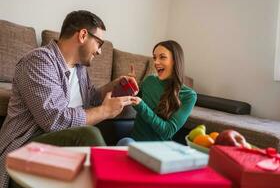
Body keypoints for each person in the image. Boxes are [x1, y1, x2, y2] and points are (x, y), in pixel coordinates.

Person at [0, 10, 138, 188]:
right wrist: (105, 111)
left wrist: (115, 86)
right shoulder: (39, 61)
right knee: (88, 134)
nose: (100, 51)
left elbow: (92, 99)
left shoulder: (80, 70)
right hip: (26, 149)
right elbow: (55, 121)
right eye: (99, 42)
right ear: (82, 35)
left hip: (58, 151)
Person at [117, 40, 197, 146]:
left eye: (162, 57)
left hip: (158, 150)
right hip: (134, 143)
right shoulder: (150, 80)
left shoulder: (189, 95)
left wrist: (141, 106)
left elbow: (167, 131)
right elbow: (134, 100)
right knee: (125, 142)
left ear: (175, 61)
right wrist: (130, 85)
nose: (156, 62)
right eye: (154, 57)